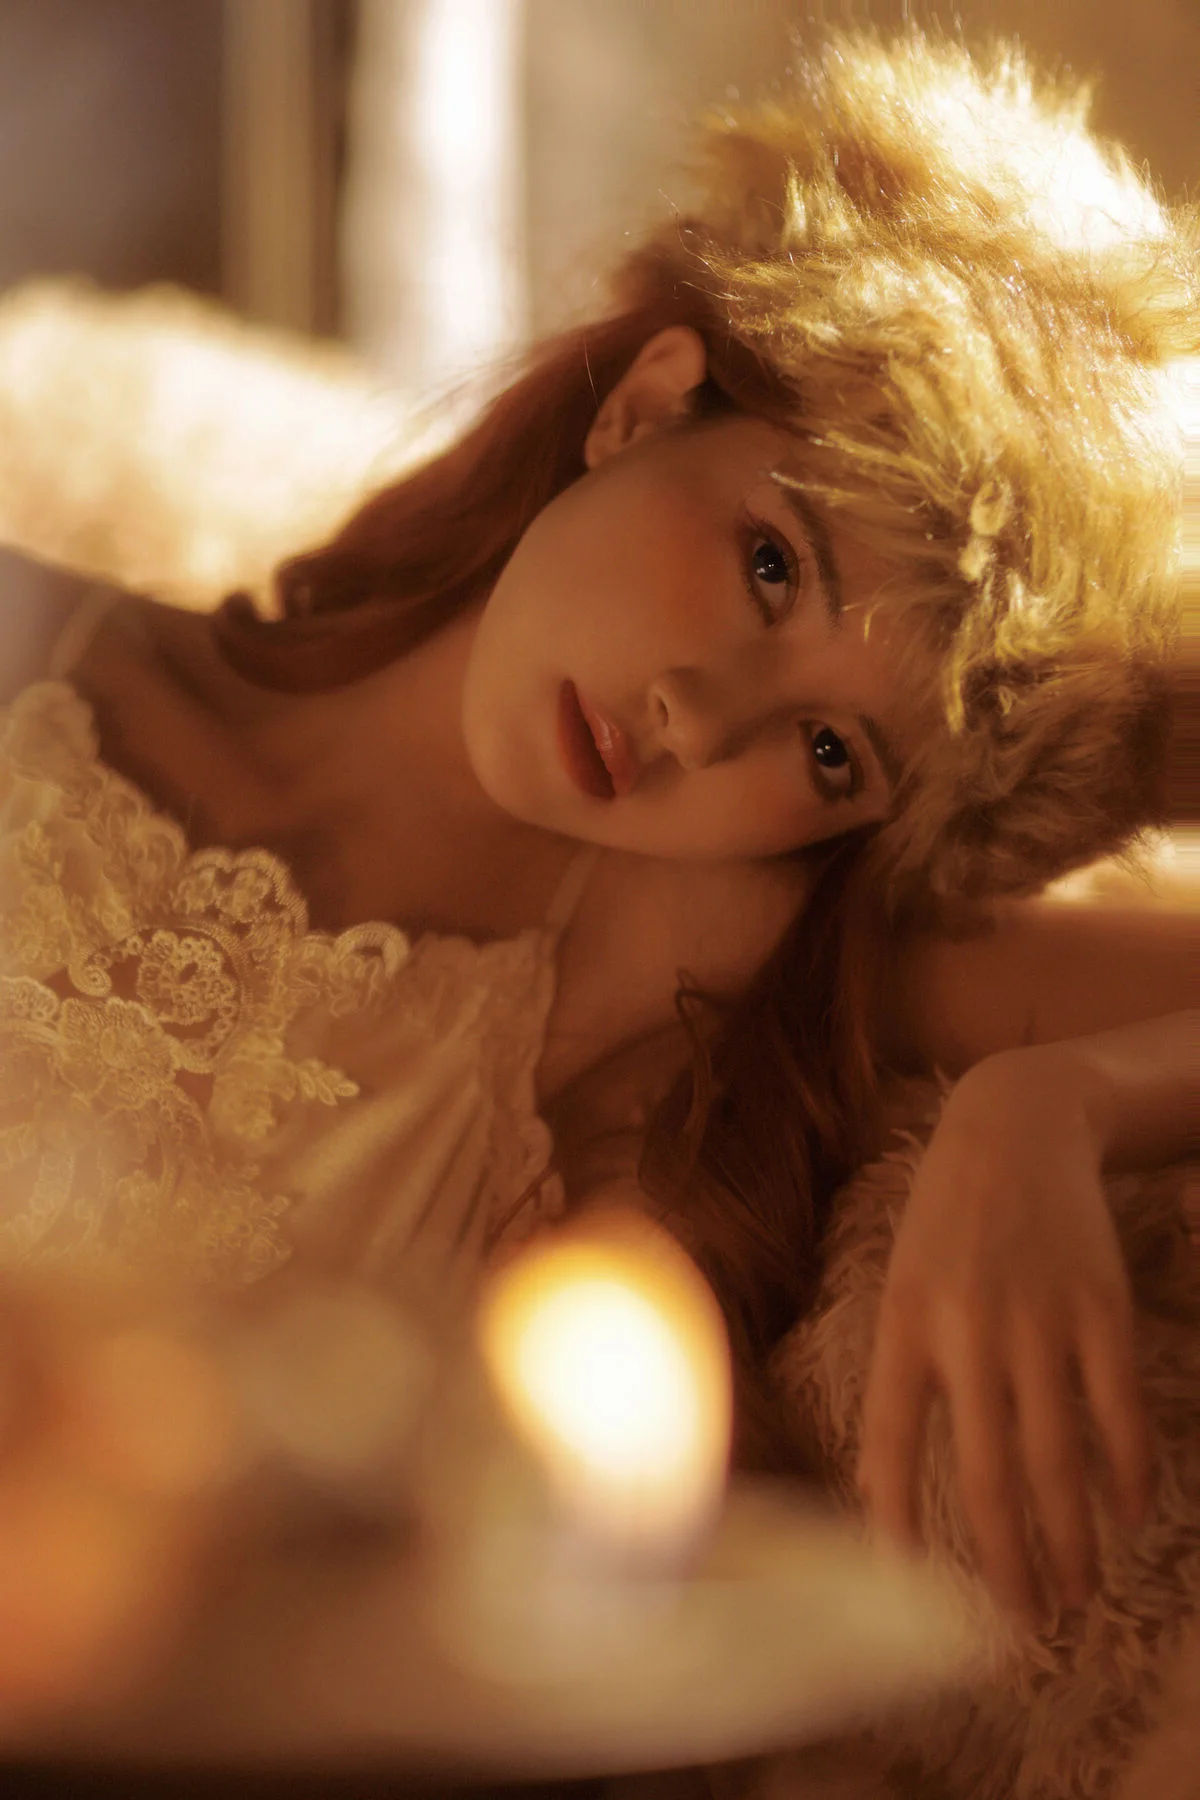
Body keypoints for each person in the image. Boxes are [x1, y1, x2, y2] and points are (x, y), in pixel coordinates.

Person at [0, 26, 1194, 1728]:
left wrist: (1055, 1108)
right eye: (771, 567)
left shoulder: (685, 949)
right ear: (642, 404)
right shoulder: (39, 637)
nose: (702, 722)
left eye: (832, 753)